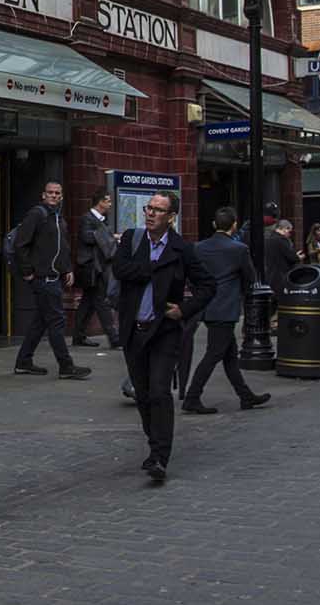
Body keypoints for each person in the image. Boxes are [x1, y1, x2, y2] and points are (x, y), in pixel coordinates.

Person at [112, 191, 215, 484]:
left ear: (171, 217)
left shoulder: (182, 249)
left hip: (164, 332)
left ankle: (159, 456)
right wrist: (152, 269)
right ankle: (153, 443)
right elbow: (119, 269)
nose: (150, 213)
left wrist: (183, 310)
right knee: (143, 394)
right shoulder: (132, 239)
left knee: (159, 392)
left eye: (158, 210)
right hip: (134, 331)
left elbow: (208, 286)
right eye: (149, 208)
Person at [183, 206, 272, 415]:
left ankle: (246, 396)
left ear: (214, 224)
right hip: (226, 307)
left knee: (230, 356)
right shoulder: (239, 249)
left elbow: (192, 275)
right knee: (213, 354)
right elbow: (251, 277)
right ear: (234, 225)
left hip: (208, 306)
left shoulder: (199, 247)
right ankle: (192, 397)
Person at [12, 181, 90, 380]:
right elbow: (20, 244)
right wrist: (27, 272)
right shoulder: (37, 214)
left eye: (57, 193)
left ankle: (23, 362)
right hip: (43, 279)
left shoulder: (58, 218)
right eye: (50, 193)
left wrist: (67, 269)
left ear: (61, 196)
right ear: (43, 195)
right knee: (57, 321)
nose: (54, 195)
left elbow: (62, 246)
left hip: (54, 277)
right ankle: (66, 366)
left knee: (40, 322)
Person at [71, 190, 120, 349]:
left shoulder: (101, 220)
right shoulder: (87, 219)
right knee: (101, 302)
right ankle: (114, 338)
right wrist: (111, 237)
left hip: (98, 267)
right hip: (92, 268)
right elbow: (87, 237)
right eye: (108, 201)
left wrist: (110, 236)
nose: (110, 204)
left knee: (88, 303)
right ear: (100, 202)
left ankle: (78, 336)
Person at [264, 219, 299, 294]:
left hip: (270, 274)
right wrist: (297, 257)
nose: (289, 234)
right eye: (289, 231)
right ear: (285, 229)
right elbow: (292, 257)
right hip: (282, 275)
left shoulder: (268, 239)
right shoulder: (282, 240)